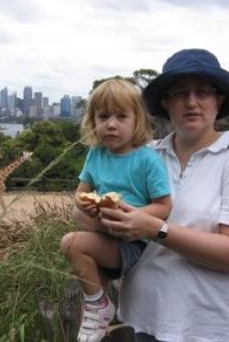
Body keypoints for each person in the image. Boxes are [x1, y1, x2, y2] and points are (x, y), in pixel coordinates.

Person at [98, 49, 229, 342]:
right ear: (166, 102)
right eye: (179, 93)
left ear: (218, 99)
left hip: (213, 329)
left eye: (203, 92)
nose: (192, 102)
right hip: (142, 321)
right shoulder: (144, 156)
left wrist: (156, 229)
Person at [60, 78, 171, 342]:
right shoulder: (96, 154)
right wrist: (85, 203)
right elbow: (80, 193)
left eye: (121, 116)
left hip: (133, 243)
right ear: (93, 121)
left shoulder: (147, 160)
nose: (111, 124)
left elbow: (164, 206)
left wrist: (135, 217)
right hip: (103, 235)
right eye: (103, 116)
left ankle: (98, 307)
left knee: (71, 242)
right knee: (76, 249)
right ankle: (98, 309)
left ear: (137, 121)